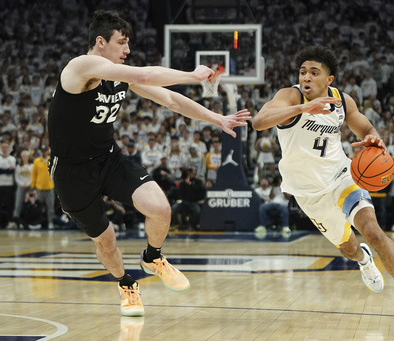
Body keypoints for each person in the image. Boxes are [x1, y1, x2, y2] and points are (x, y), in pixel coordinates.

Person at [47, 10, 250, 317]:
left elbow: (170, 101)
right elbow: (142, 75)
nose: (127, 50)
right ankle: (126, 283)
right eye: (122, 43)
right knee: (107, 242)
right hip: (72, 172)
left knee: (160, 208)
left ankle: (152, 257)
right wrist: (192, 75)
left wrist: (217, 118)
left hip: (109, 159)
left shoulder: (118, 77)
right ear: (100, 42)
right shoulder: (81, 66)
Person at [252, 46, 394, 328]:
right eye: (303, 71)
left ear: (329, 80)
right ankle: (364, 261)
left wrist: (374, 139)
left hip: (342, 177)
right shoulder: (290, 96)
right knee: (349, 247)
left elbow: (367, 130)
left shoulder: (342, 100)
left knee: (374, 232)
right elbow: (258, 122)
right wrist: (303, 108)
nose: (306, 77)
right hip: (308, 194)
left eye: (314, 72)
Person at [31, 145, 55, 229]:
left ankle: (50, 223)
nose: (44, 152)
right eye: (42, 151)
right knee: (39, 208)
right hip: (39, 188)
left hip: (49, 187)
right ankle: (39, 223)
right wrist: (33, 186)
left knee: (50, 208)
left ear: (47, 151)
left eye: (45, 150)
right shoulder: (37, 161)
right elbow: (34, 174)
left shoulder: (51, 159)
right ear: (41, 151)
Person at [0, 142, 16, 229]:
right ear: (0, 149)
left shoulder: (12, 159)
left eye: (6, 147)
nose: (4, 149)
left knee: (9, 204)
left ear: (9, 149)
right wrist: (7, 170)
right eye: (3, 147)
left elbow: (11, 172)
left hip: (9, 184)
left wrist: (2, 170)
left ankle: (10, 222)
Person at [13, 150, 33, 227]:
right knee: (18, 204)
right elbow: (16, 177)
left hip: (30, 187)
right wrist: (22, 185)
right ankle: (16, 221)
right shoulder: (18, 167)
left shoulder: (32, 166)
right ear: (21, 158)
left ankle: (29, 221)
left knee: (29, 204)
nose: (25, 158)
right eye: (23, 156)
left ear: (28, 157)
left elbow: (33, 177)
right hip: (21, 187)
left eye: (26, 156)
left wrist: (28, 184)